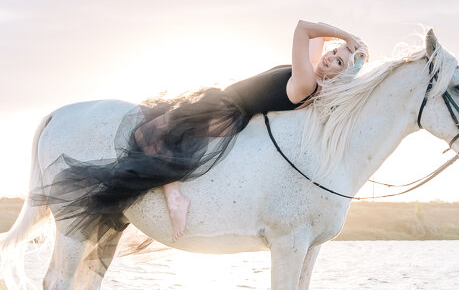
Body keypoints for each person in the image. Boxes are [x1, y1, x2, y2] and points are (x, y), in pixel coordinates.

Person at [40, 20, 367, 242]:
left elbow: (303, 28)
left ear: (339, 77)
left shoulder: (306, 82)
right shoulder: (310, 70)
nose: (330, 58)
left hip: (226, 111)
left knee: (148, 134)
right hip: (222, 102)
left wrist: (348, 40)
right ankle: (172, 191)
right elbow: (318, 37)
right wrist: (353, 49)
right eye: (334, 53)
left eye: (338, 63)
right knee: (158, 134)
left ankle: (174, 194)